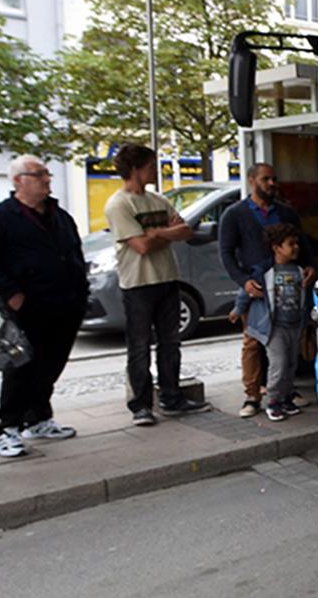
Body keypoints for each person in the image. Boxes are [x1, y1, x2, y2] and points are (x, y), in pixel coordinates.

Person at [0, 155, 89, 458]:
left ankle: (37, 418)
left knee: (52, 363)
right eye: (38, 175)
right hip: (28, 304)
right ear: (18, 180)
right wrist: (11, 292)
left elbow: (74, 253)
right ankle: (8, 427)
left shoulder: (59, 215)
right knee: (22, 365)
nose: (46, 179)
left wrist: (81, 290)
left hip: (66, 302)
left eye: (47, 174)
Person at [104, 144, 210, 426]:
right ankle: (140, 405)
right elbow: (141, 245)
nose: (156, 169)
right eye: (151, 165)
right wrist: (165, 234)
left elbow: (186, 230)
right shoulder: (119, 204)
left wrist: (158, 232)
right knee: (139, 346)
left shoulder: (157, 200)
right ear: (136, 169)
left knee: (171, 342)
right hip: (138, 283)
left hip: (167, 279)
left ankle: (171, 397)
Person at [218, 163, 314, 418]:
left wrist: (309, 266)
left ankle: (285, 392)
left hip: (286, 286)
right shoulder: (234, 214)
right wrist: (243, 281)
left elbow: (301, 242)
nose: (272, 183)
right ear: (251, 181)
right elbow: (226, 252)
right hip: (257, 286)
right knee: (253, 341)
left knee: (286, 348)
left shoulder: (286, 213)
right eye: (265, 179)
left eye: (274, 178)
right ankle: (252, 395)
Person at [228, 223, 311, 421]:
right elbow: (246, 291)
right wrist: (238, 310)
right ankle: (273, 400)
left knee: (291, 364)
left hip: (294, 324)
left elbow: (305, 298)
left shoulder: (300, 271)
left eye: (296, 243)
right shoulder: (264, 272)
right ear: (276, 247)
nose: (296, 248)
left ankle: (285, 397)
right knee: (279, 364)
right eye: (291, 244)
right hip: (274, 327)